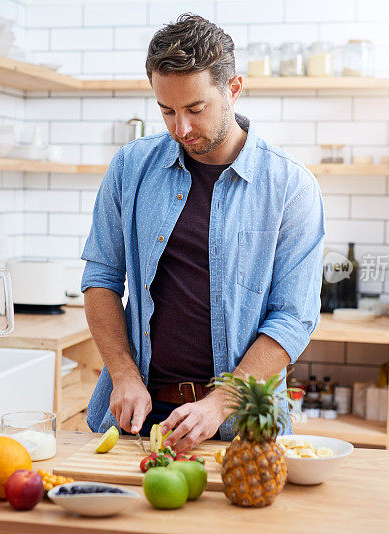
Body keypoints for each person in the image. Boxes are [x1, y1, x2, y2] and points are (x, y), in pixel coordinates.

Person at [80, 14, 325, 452]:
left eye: (195, 109)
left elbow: (294, 317)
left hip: (241, 430)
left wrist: (218, 406)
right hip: (135, 419)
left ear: (233, 88)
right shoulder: (130, 167)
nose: (181, 128)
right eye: (167, 111)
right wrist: (123, 374)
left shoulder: (291, 185)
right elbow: (100, 279)